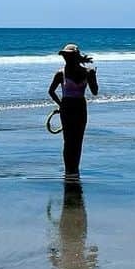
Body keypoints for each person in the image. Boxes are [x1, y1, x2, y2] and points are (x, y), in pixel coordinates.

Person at [48, 43, 98, 179]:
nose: (66, 58)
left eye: (69, 56)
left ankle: (74, 169)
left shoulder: (88, 72)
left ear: (76, 57)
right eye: (65, 56)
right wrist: (61, 105)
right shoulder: (60, 73)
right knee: (68, 141)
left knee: (78, 140)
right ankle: (68, 170)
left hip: (80, 107)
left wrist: (93, 77)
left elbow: (94, 92)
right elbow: (51, 91)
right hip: (67, 108)